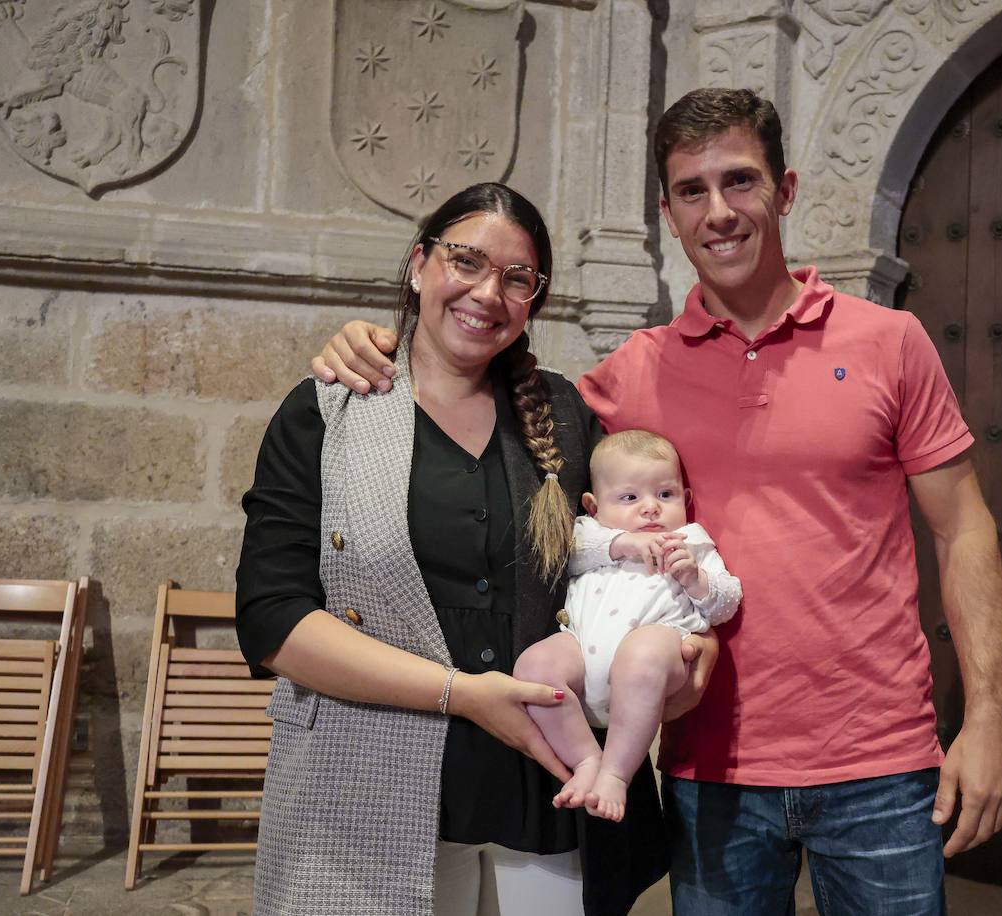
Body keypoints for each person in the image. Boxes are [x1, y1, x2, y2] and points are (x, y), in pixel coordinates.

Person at [312, 89, 1002, 915]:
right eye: (692, 191)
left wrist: (992, 718)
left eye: (740, 181)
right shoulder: (634, 373)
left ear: (785, 190)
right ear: (668, 214)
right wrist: (368, 340)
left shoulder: (889, 342)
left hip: (878, 762)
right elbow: (490, 399)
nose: (718, 211)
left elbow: (964, 526)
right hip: (707, 771)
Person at [235, 182, 675, 915]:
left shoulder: (564, 417)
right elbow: (273, 621)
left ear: (535, 297)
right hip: (369, 787)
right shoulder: (327, 413)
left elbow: (631, 552)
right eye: (464, 261)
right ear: (418, 265)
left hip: (549, 788)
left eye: (516, 278)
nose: (486, 292)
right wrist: (463, 696)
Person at [514, 430, 741, 823]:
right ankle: (586, 760)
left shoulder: (691, 541)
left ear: (685, 500)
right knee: (533, 668)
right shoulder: (590, 534)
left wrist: (695, 579)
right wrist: (623, 544)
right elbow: (568, 557)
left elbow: (726, 602)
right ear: (593, 505)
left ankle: (617, 773)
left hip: (657, 652)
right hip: (580, 652)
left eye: (665, 495)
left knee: (644, 653)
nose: (651, 509)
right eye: (630, 497)